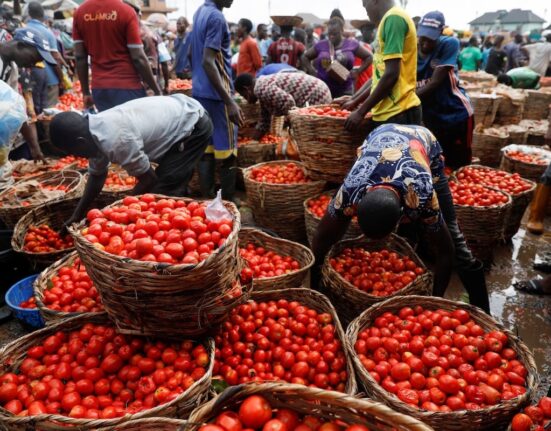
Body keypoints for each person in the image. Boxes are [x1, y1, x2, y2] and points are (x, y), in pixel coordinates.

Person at [312, 124, 490, 313]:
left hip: (422, 140)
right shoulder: (352, 189)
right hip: (381, 136)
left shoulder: (422, 192)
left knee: (453, 233)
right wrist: (316, 290)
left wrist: (434, 303)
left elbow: (445, 251)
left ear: (401, 216)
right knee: (335, 223)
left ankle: (483, 306)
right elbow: (322, 237)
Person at [49, 94, 213, 226]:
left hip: (192, 123)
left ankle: (184, 229)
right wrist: (77, 215)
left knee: (161, 195)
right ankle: (182, 203)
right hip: (179, 112)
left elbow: (149, 179)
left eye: (74, 152)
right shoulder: (93, 131)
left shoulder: (116, 139)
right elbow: (97, 176)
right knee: (168, 183)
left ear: (81, 142)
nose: (78, 157)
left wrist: (119, 209)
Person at [190, 0, 243, 201]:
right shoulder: (217, 17)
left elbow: (194, 55)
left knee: (207, 147)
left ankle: (208, 196)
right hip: (217, 95)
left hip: (201, 92)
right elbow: (208, 61)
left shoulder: (200, 12)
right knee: (228, 149)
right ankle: (229, 199)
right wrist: (229, 101)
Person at [340, 0, 421, 133]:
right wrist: (354, 100)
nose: (364, 8)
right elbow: (378, 77)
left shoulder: (394, 18)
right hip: (389, 112)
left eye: (365, 3)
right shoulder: (388, 20)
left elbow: (391, 75)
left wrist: (360, 112)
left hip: (399, 112)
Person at [72, 0, 160, 112]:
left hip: (99, 89)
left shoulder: (80, 13)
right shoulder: (126, 12)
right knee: (131, 128)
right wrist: (156, 89)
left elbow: (80, 57)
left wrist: (86, 93)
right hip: (128, 87)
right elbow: (138, 57)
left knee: (108, 128)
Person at [416, 11, 474, 170]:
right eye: (423, 38)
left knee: (459, 166)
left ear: (441, 33)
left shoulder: (449, 43)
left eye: (431, 39)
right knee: (436, 165)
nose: (425, 43)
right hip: (432, 118)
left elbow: (434, 83)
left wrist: (404, 101)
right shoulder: (411, 51)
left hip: (456, 114)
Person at [0, 27, 50, 164]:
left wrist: (34, 148)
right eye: (34, 58)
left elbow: (17, 110)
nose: (33, 64)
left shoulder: (13, 69)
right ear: (21, 45)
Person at [234, 70, 332, 139]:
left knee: (312, 136)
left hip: (316, 94)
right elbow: (264, 121)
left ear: (247, 89)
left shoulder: (259, 89)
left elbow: (288, 102)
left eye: (244, 96)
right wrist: (252, 142)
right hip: (320, 88)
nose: (247, 100)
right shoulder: (261, 87)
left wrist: (291, 122)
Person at [303, 18, 372, 98]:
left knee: (344, 110)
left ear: (342, 31)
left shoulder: (351, 44)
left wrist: (358, 71)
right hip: (323, 90)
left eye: (335, 34)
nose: (331, 37)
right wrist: (312, 71)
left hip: (345, 90)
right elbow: (305, 57)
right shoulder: (321, 45)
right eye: (329, 34)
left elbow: (369, 57)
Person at [25, 2, 66, 110]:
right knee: (49, 112)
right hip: (50, 79)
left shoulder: (22, 30)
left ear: (29, 13)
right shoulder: (47, 33)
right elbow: (55, 59)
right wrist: (61, 79)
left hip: (28, 79)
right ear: (43, 15)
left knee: (34, 110)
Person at [351, 19, 375, 91]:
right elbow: (355, 70)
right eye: (367, 30)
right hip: (360, 85)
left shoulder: (371, 47)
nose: (371, 33)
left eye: (372, 30)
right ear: (362, 31)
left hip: (370, 84)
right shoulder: (358, 47)